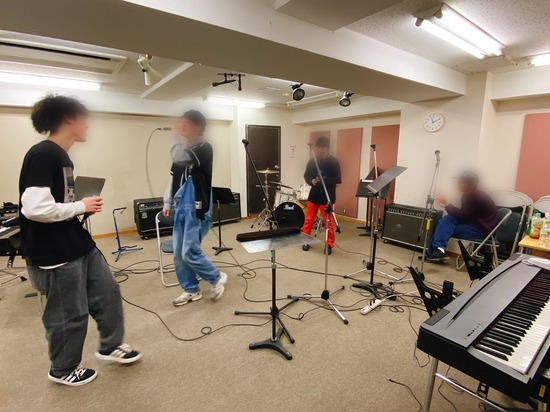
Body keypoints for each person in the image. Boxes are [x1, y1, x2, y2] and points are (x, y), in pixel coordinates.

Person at [19, 95, 141, 387]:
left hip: (76, 242)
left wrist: (79, 207)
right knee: (68, 313)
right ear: (68, 118)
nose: (87, 125)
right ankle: (62, 369)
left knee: (107, 292)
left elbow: (58, 203)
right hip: (53, 252)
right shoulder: (43, 154)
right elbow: (35, 209)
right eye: (84, 118)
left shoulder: (62, 156)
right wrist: (79, 206)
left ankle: (111, 345)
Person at [162, 110, 227, 306]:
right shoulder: (183, 149)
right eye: (181, 123)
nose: (182, 126)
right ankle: (191, 289)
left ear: (198, 127)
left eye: (186, 123)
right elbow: (173, 178)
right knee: (178, 253)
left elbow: (180, 157)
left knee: (189, 251)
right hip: (181, 205)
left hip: (196, 205)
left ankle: (216, 277)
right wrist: (167, 202)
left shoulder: (204, 148)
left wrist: (174, 135)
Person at [422, 171, 498, 263]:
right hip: (471, 224)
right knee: (446, 220)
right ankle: (436, 252)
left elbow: (463, 216)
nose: (458, 184)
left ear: (471, 185)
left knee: (444, 227)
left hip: (482, 230)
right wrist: (447, 205)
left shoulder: (478, 197)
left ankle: (436, 252)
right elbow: (463, 215)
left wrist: (447, 205)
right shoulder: (466, 195)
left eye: (461, 182)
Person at [301, 136, 341, 255]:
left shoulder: (334, 162)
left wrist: (323, 179)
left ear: (327, 148)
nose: (319, 149)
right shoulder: (312, 161)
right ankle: (305, 240)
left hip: (327, 196)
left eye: (322, 147)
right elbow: (307, 176)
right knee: (309, 219)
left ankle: (329, 244)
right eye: (318, 147)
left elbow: (338, 179)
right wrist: (312, 181)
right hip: (314, 195)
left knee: (328, 222)